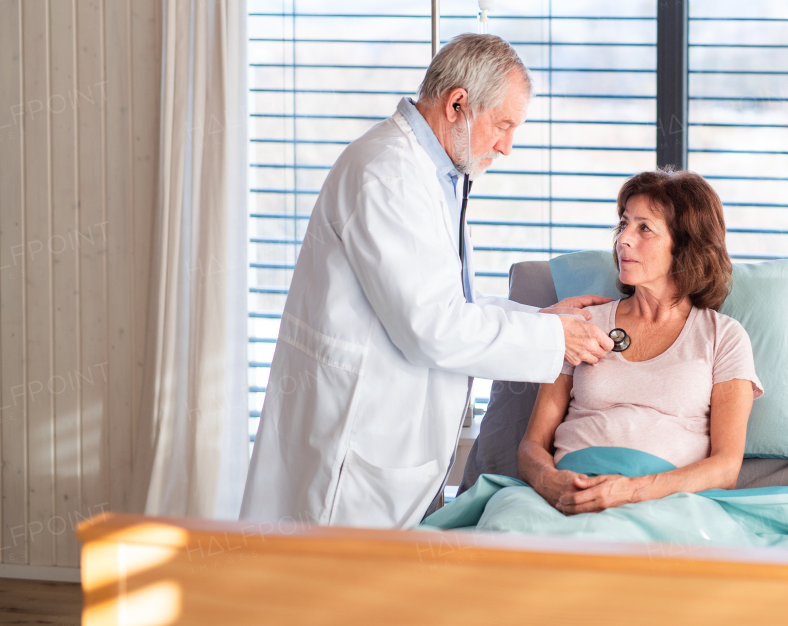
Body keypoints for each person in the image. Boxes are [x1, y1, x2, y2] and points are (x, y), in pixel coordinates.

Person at [241, 34, 614, 529]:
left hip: (389, 438)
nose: (507, 146)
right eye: (502, 125)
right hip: (355, 447)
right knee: (327, 592)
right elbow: (432, 326)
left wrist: (544, 321)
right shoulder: (386, 173)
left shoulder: (437, 174)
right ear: (458, 103)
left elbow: (453, 301)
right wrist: (553, 338)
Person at [518, 170, 762, 514]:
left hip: (664, 503)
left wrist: (631, 492)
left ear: (685, 245)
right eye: (623, 224)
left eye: (643, 228)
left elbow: (725, 468)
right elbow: (531, 445)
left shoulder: (723, 336)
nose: (623, 240)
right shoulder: (580, 326)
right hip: (564, 498)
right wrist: (548, 481)